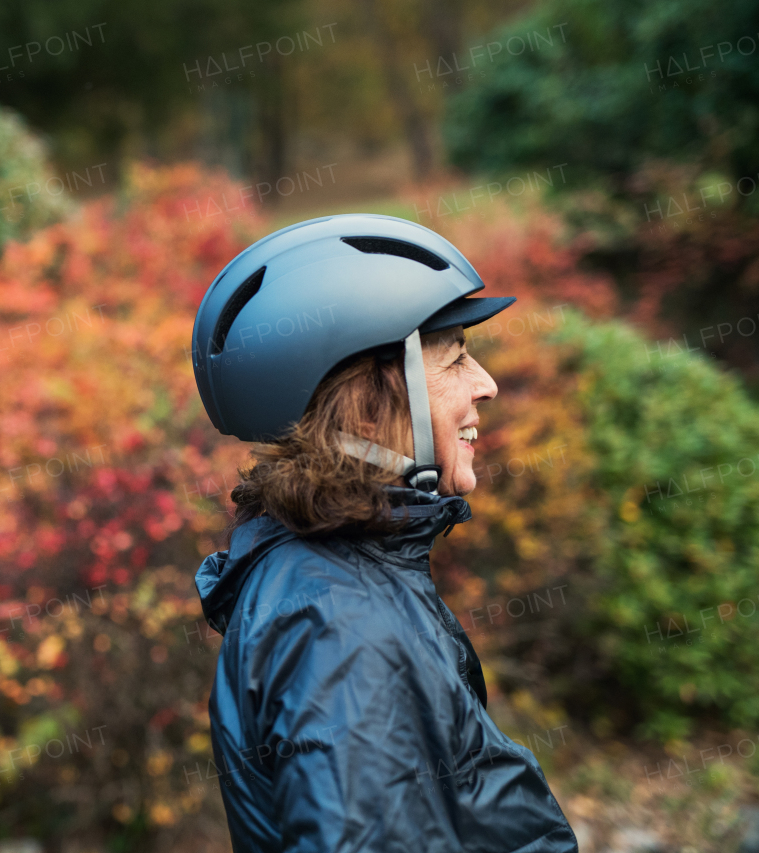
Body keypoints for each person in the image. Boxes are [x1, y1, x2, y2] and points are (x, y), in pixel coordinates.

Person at [188, 215, 578, 852]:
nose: (487, 384)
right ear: (368, 403)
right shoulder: (340, 623)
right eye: (454, 359)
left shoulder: (333, 577)